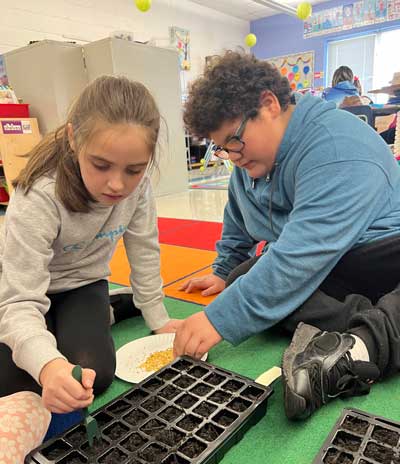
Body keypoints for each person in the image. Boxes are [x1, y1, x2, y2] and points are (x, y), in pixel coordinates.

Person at [173, 51, 400, 421]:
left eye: (234, 141)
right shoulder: (251, 160)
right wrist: (223, 270)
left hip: (381, 252)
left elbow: (300, 256)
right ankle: (371, 318)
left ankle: (364, 345)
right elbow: (238, 219)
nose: (232, 156)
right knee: (241, 282)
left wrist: (218, 320)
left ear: (269, 105)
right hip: (336, 264)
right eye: (222, 147)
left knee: (261, 292)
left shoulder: (337, 146)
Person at [0, 75, 181, 413]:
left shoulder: (138, 189)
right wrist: (49, 366)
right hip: (20, 291)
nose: (117, 184)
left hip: (81, 284)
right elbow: (20, 301)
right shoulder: (40, 194)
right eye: (101, 165)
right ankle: (110, 309)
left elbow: (144, 248)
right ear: (73, 138)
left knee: (91, 374)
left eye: (134, 170)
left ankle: (114, 306)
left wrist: (157, 317)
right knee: (16, 384)